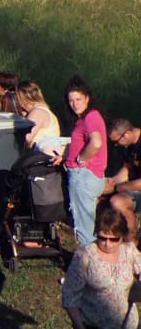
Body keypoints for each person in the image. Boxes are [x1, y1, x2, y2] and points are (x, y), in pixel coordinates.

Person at [60, 207, 141, 329]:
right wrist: (79, 327)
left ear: (122, 237)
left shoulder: (129, 251)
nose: (107, 244)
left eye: (113, 239)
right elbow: (69, 295)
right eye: (102, 238)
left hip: (126, 326)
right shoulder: (84, 256)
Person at [64, 78, 110, 246]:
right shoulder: (84, 118)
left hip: (84, 176)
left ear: (87, 98)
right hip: (86, 175)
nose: (74, 104)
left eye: (78, 99)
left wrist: (81, 159)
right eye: (71, 100)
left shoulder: (91, 116)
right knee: (86, 222)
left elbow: (96, 142)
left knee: (84, 226)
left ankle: (87, 266)